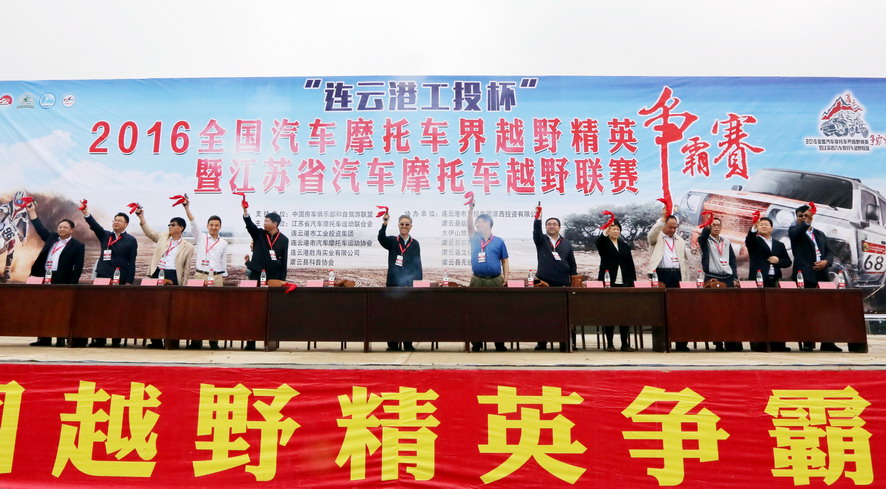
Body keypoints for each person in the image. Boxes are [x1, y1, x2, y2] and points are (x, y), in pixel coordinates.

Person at [25, 201, 85, 347]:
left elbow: (78, 267)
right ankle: (43, 338)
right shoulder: (52, 238)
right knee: (43, 308)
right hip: (44, 277)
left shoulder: (77, 246)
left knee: (60, 310)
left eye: (65, 227)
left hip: (62, 280)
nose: (61, 229)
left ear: (72, 230)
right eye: (60, 227)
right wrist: (32, 212)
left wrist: (72, 285)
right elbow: (40, 228)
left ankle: (60, 338)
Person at [137, 206, 195, 349]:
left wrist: (183, 286)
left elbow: (186, 270)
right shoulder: (163, 236)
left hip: (173, 276)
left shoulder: (188, 246)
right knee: (154, 309)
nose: (170, 226)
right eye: (169, 224)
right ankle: (155, 341)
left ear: (181, 228)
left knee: (172, 311)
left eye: (173, 225)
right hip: (157, 273)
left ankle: (171, 341)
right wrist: (141, 218)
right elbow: (150, 232)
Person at [81, 202, 138, 347]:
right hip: (102, 276)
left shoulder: (131, 240)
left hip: (120, 278)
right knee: (100, 309)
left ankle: (116, 338)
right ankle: (99, 339)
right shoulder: (105, 235)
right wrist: (86, 213)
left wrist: (129, 282)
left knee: (117, 310)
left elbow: (132, 262)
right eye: (115, 220)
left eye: (119, 220)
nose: (116, 222)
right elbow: (95, 226)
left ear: (126, 224)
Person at [789, 204, 841, 352]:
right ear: (797, 217)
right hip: (805, 276)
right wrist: (806, 222)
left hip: (822, 275)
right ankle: (808, 342)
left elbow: (830, 252)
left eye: (806, 215)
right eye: (801, 216)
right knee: (807, 311)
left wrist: (826, 262)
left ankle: (828, 342)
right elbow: (796, 233)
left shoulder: (820, 234)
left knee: (826, 310)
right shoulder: (794, 231)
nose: (803, 218)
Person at [242, 201, 289, 351]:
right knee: (253, 308)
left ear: (275, 224)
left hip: (274, 278)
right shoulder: (259, 234)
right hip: (256, 275)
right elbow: (250, 226)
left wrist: (282, 280)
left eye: (267, 221)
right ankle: (250, 342)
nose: (264, 223)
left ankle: (270, 341)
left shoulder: (284, 240)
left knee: (270, 309)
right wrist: (245, 211)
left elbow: (284, 261)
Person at [184, 197, 227, 350]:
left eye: (216, 225)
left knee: (215, 310)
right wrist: (187, 208)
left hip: (216, 277)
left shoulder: (223, 243)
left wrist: (222, 277)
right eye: (211, 225)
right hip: (200, 275)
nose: (214, 227)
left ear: (220, 227)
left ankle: (214, 340)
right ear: (207, 226)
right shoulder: (201, 238)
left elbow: (223, 262)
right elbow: (193, 223)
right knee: (197, 309)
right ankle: (196, 340)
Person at [532, 204, 577, 350]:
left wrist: (573, 279)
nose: (551, 226)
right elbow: (536, 231)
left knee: (564, 314)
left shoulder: (566, 243)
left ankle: (566, 343)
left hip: (562, 282)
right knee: (542, 313)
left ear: (559, 227)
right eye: (549, 224)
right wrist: (538, 217)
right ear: (546, 227)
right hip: (543, 282)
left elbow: (572, 263)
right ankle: (542, 342)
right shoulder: (541, 240)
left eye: (554, 224)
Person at [467, 201, 510, 352]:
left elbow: (505, 261)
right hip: (477, 280)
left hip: (495, 280)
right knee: (476, 312)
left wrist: (505, 279)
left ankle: (499, 343)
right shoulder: (474, 238)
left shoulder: (498, 241)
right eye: (477, 222)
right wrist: (470, 211)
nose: (478, 224)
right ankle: (476, 343)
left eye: (481, 221)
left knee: (498, 312)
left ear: (489, 224)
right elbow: (469, 226)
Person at [746, 216, 793, 352]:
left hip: (775, 281)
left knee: (776, 313)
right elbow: (749, 239)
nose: (763, 226)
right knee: (758, 313)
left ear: (772, 228)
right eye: (761, 224)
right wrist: (753, 228)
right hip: (759, 281)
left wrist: (778, 260)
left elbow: (788, 262)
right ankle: (759, 344)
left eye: (766, 224)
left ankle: (778, 344)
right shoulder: (754, 241)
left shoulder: (779, 245)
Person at [647, 207, 691, 351]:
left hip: (677, 275)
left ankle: (681, 343)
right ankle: (662, 343)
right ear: (664, 225)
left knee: (679, 309)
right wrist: (661, 218)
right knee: (661, 309)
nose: (672, 230)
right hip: (661, 274)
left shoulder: (680, 241)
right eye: (670, 227)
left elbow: (684, 260)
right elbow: (652, 234)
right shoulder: (656, 238)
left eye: (675, 227)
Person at [378, 212, 422, 352]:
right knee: (392, 315)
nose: (404, 226)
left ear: (411, 226)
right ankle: (393, 344)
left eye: (407, 224)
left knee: (408, 316)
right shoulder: (392, 241)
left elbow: (417, 265)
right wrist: (385, 223)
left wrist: (417, 283)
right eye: (402, 224)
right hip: (393, 284)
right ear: (398, 225)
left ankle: (408, 343)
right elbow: (381, 238)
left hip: (408, 286)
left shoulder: (415, 244)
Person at [697, 217, 740, 352]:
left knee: (730, 312)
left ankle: (730, 341)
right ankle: (718, 342)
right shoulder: (705, 241)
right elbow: (702, 237)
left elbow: (732, 261)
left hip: (727, 278)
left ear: (721, 227)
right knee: (714, 312)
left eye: (718, 225)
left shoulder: (726, 242)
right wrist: (706, 227)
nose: (715, 227)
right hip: (712, 278)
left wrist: (735, 277)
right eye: (713, 225)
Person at [595, 219, 636, 351]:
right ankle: (610, 344)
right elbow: (599, 241)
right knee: (609, 313)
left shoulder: (625, 246)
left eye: (618, 229)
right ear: (608, 230)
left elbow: (630, 265)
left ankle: (625, 344)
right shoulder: (604, 243)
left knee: (624, 314)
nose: (616, 231)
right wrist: (606, 229)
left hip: (624, 283)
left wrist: (632, 282)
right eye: (613, 228)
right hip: (608, 283)